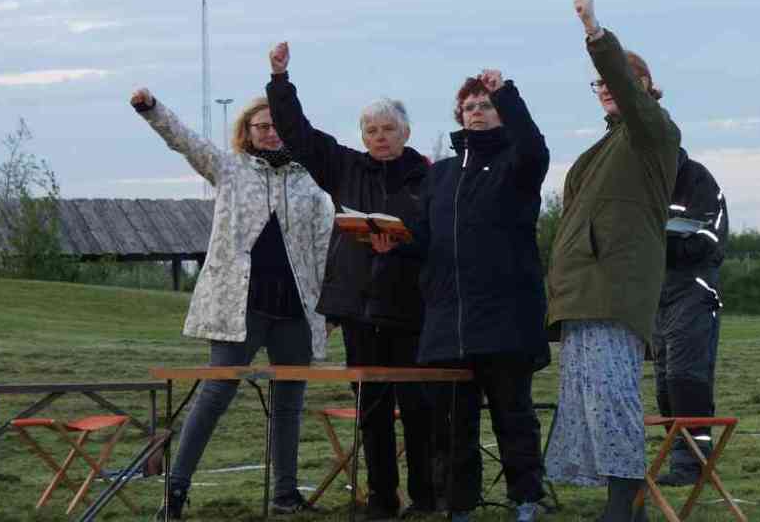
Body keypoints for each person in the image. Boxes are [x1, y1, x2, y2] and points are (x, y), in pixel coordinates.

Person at [130, 89, 332, 519]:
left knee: (289, 404)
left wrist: (328, 309)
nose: (271, 133)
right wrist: (151, 109)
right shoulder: (228, 167)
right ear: (247, 131)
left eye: (278, 126)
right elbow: (184, 140)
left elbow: (323, 248)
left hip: (295, 311)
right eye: (263, 126)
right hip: (239, 307)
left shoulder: (311, 180)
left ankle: (285, 495)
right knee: (215, 394)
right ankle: (175, 493)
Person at [264, 42, 436, 520]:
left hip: (412, 309)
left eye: (388, 129)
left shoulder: (429, 177)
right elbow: (298, 134)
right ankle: (381, 498)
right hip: (359, 309)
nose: (380, 137)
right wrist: (280, 80)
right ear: (362, 136)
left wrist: (403, 246)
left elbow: (438, 238)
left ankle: (426, 497)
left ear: (406, 133)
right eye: (371, 130)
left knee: (418, 407)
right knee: (372, 411)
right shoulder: (344, 166)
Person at [389, 68, 550, 522]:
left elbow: (534, 146)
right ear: (459, 115)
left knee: (513, 417)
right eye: (470, 106)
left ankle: (526, 500)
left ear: (502, 114)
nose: (477, 112)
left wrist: (507, 93)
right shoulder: (440, 175)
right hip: (448, 322)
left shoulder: (519, 164)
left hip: (506, 319)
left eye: (487, 105)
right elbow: (426, 238)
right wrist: (393, 243)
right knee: (452, 425)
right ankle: (459, 505)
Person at [544, 0, 681, 522]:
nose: (605, 88)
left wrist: (594, 32)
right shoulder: (604, 145)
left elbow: (623, 83)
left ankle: (627, 504)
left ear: (643, 87)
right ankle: (620, 502)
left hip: (614, 291)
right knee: (587, 403)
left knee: (612, 399)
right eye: (598, 83)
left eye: (614, 81)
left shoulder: (653, 133)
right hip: (582, 294)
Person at [653, 148, 728, 486]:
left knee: (687, 378)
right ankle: (680, 456)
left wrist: (659, 244)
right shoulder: (645, 182)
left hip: (693, 290)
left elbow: (706, 239)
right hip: (657, 295)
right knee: (664, 382)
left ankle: (693, 463)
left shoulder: (697, 179)